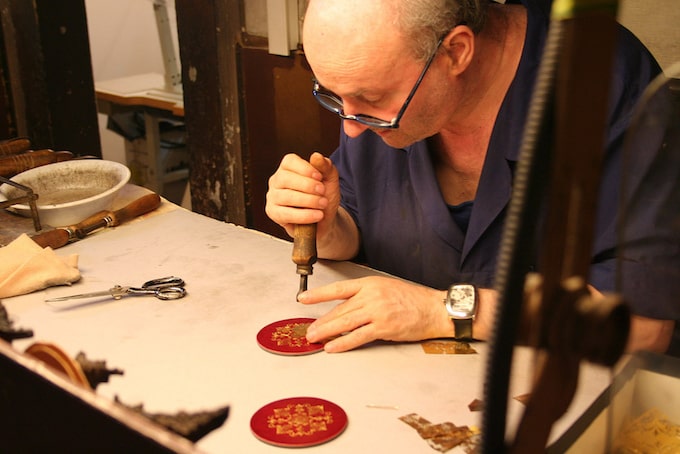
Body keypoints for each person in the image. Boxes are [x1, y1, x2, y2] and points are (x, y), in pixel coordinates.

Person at [265, 0, 678, 355]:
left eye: (370, 100)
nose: (351, 127)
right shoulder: (378, 87)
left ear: (457, 52)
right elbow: (361, 220)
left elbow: (643, 327)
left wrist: (442, 311)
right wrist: (327, 224)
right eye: (334, 95)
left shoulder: (605, 86)